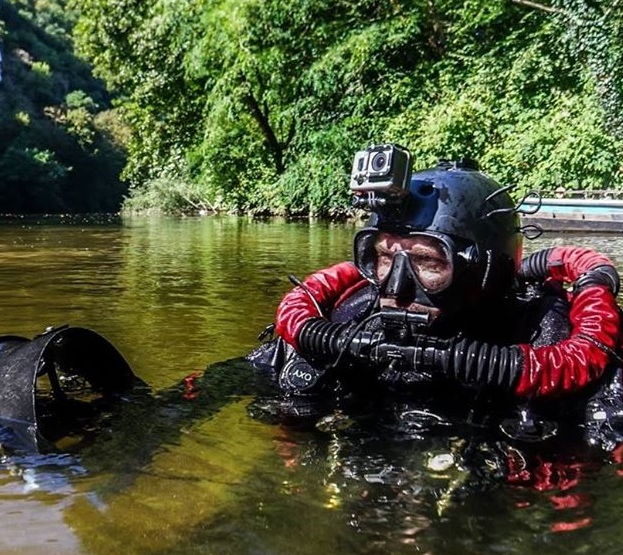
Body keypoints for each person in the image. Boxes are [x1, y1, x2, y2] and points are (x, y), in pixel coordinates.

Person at [249, 145, 623, 451]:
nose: (396, 287)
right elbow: (226, 384)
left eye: (427, 261)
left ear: (488, 272)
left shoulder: (550, 340)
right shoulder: (349, 319)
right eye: (382, 258)